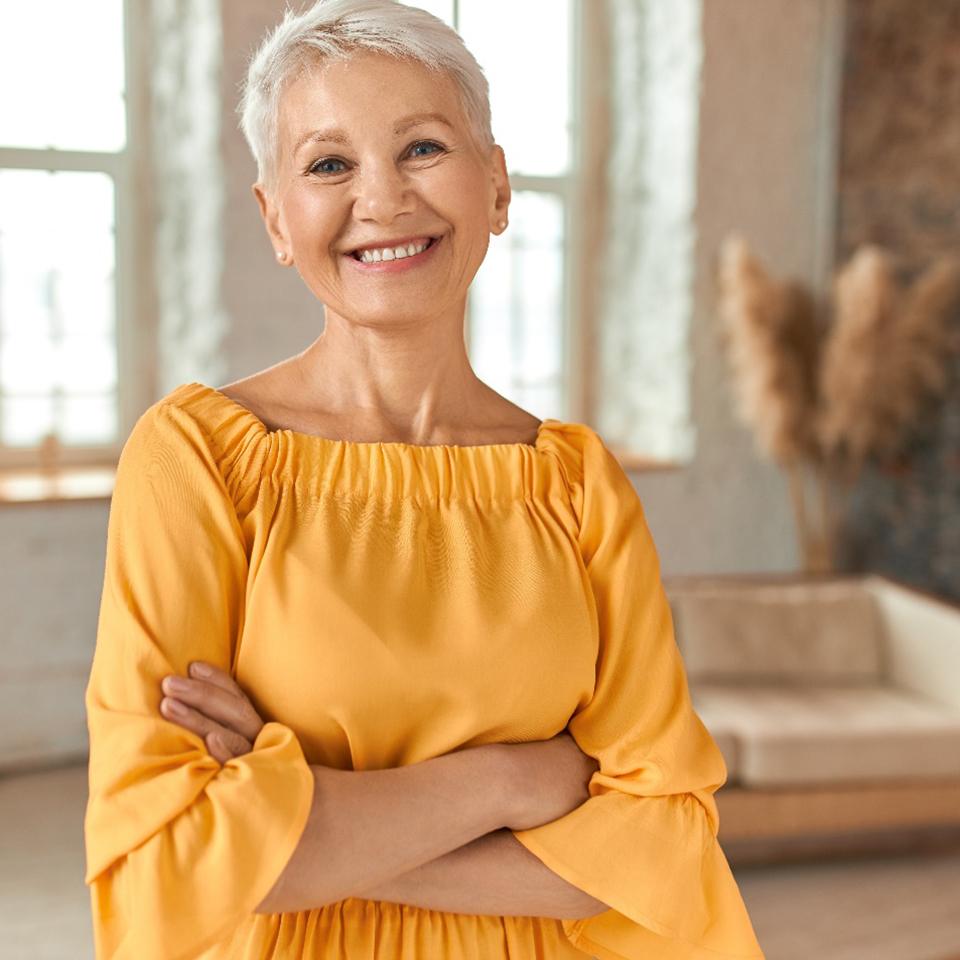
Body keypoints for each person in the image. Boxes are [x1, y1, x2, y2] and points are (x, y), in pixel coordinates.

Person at [82, 1, 766, 957]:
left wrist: (297, 821)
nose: (384, 200)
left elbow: (662, 845)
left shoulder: (573, 487)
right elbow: (165, 854)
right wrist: (512, 786)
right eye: (328, 163)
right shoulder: (199, 460)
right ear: (276, 217)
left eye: (423, 148)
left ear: (496, 187)